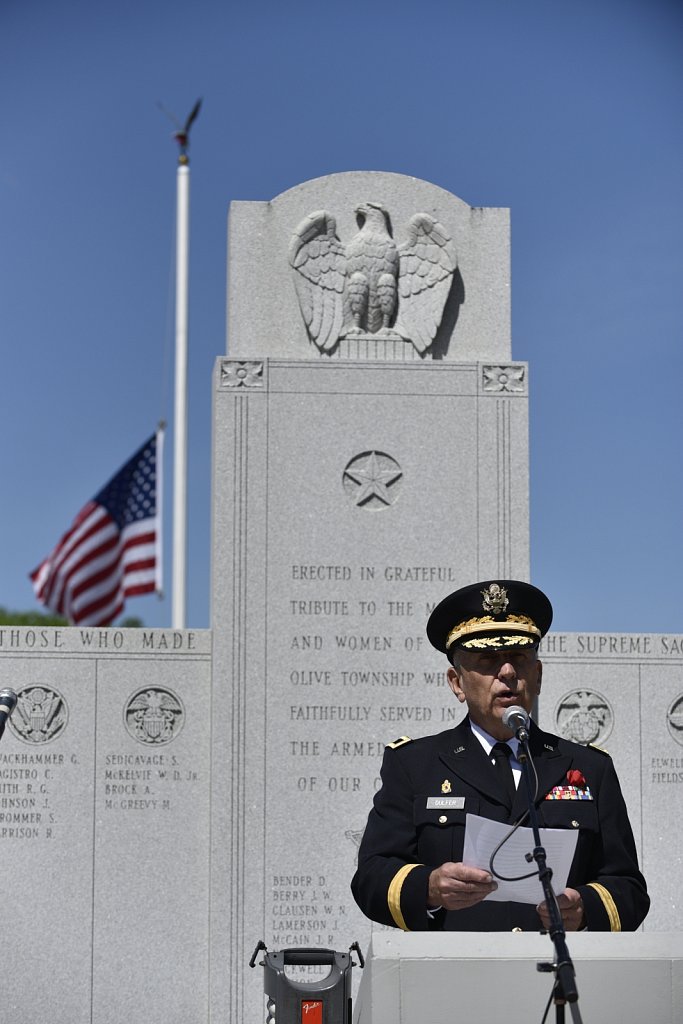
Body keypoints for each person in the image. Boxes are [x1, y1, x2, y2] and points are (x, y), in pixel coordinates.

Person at [351, 579, 649, 932]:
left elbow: (628, 888)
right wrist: (430, 888)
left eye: (518, 659)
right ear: (457, 683)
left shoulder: (588, 767)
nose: (507, 673)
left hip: (558, 976)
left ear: (536, 676)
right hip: (453, 977)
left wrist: (584, 908)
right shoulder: (415, 765)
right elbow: (371, 877)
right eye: (488, 660)